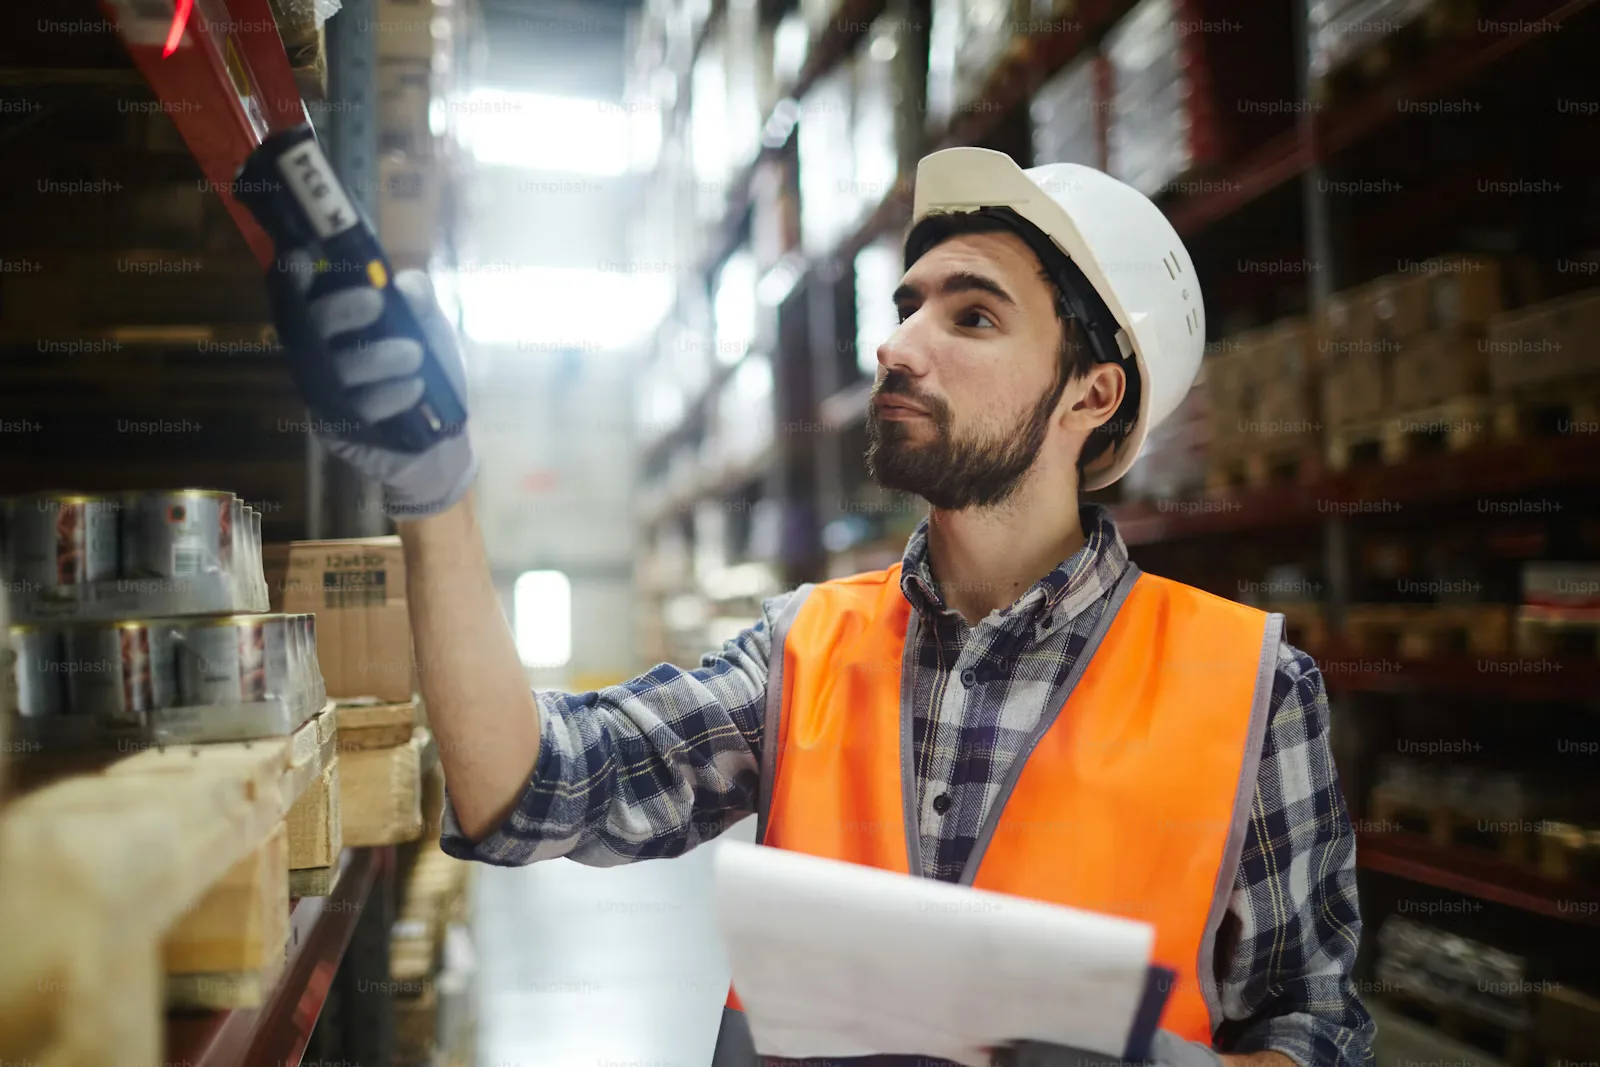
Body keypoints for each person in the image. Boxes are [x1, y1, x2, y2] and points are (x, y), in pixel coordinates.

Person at [267, 146, 1374, 1067]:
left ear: (1092, 392)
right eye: (906, 308)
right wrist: (435, 490)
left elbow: (1313, 1018)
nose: (896, 344)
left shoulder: (1251, 687)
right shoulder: (803, 647)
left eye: (972, 317)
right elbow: (528, 786)